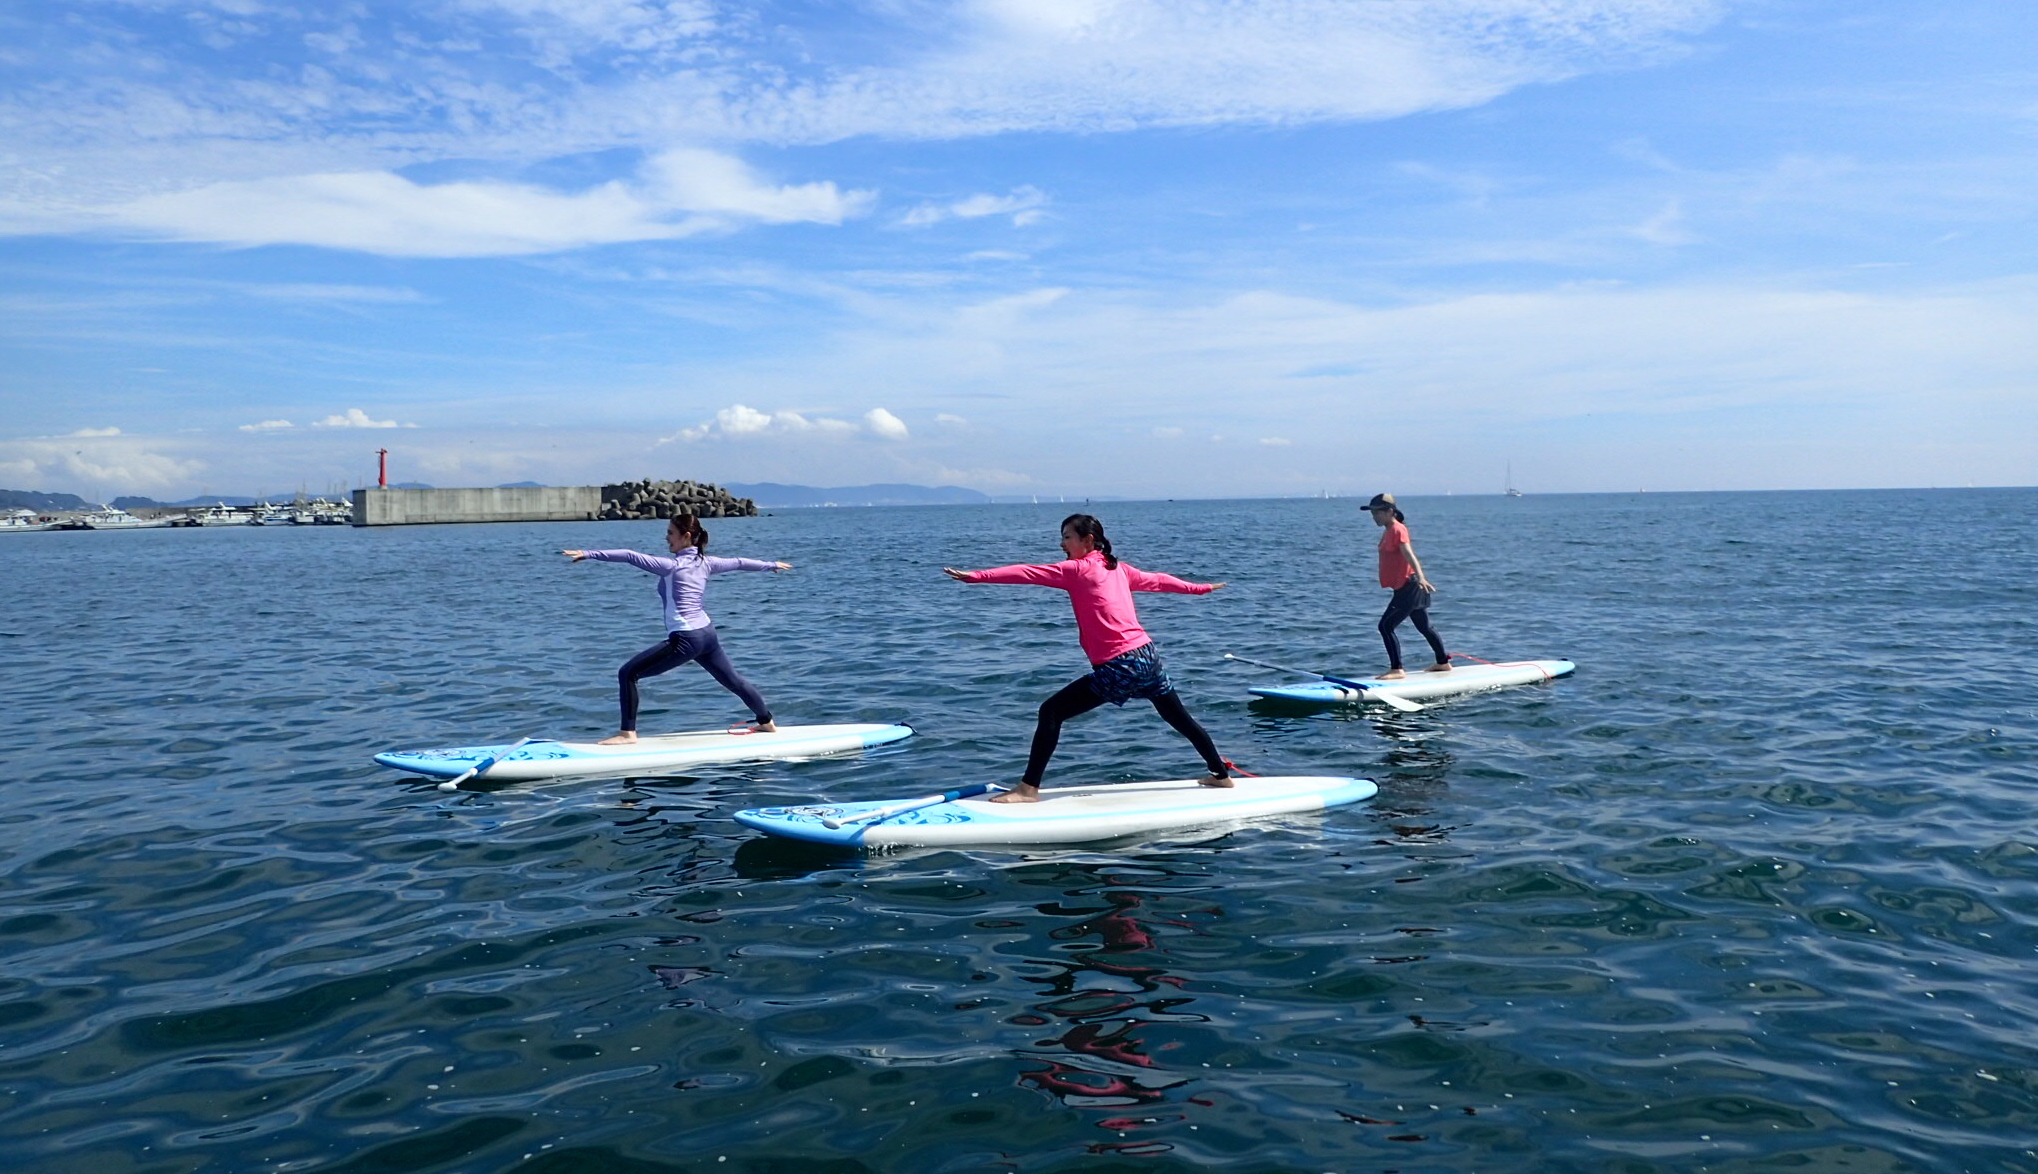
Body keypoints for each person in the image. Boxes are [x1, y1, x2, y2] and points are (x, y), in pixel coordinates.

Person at [943, 513, 1232, 803]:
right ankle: (1221, 775)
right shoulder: (1118, 569)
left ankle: (1028, 788)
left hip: (1121, 663)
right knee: (1178, 718)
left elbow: (1027, 572)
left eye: (1067, 537)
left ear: (1088, 540)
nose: (1062, 544)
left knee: (1051, 712)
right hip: (1147, 655)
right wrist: (1201, 588)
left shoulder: (1077, 570)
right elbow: (1158, 581)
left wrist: (977, 576)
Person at [562, 514, 790, 744]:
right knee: (733, 681)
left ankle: (627, 734)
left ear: (686, 536)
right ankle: (766, 721)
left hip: (687, 638)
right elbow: (739, 562)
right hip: (707, 634)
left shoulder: (671, 566)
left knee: (628, 673)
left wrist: (589, 553)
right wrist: (770, 566)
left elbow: (630, 556)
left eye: (671, 533)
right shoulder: (707, 563)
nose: (667, 538)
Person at [1365, 493, 1449, 680]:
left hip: (1409, 586)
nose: (1374, 517)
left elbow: (1409, 554)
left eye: (1377, 513)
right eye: (1372, 513)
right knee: (1424, 626)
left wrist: (1421, 577)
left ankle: (1397, 669)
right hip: (1405, 587)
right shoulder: (1388, 530)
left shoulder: (1397, 529)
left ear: (1390, 511)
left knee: (1385, 626)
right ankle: (1443, 662)